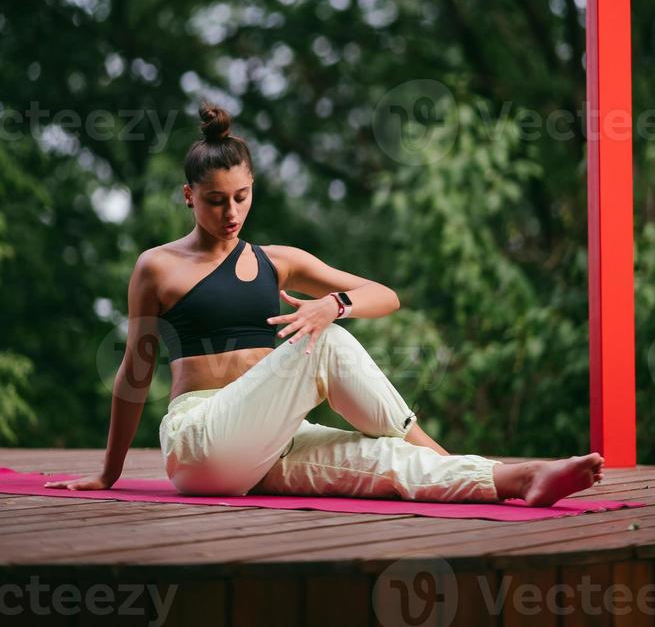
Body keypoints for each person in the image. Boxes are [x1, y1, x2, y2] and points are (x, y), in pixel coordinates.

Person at [45, 101, 605, 506]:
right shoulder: (157, 267)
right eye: (215, 201)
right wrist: (108, 473)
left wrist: (332, 303)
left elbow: (384, 296)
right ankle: (437, 448)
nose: (231, 213)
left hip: (271, 445)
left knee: (384, 460)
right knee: (324, 341)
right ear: (189, 196)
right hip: (201, 442)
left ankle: (517, 479)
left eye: (241, 197)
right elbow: (135, 371)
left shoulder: (277, 259)